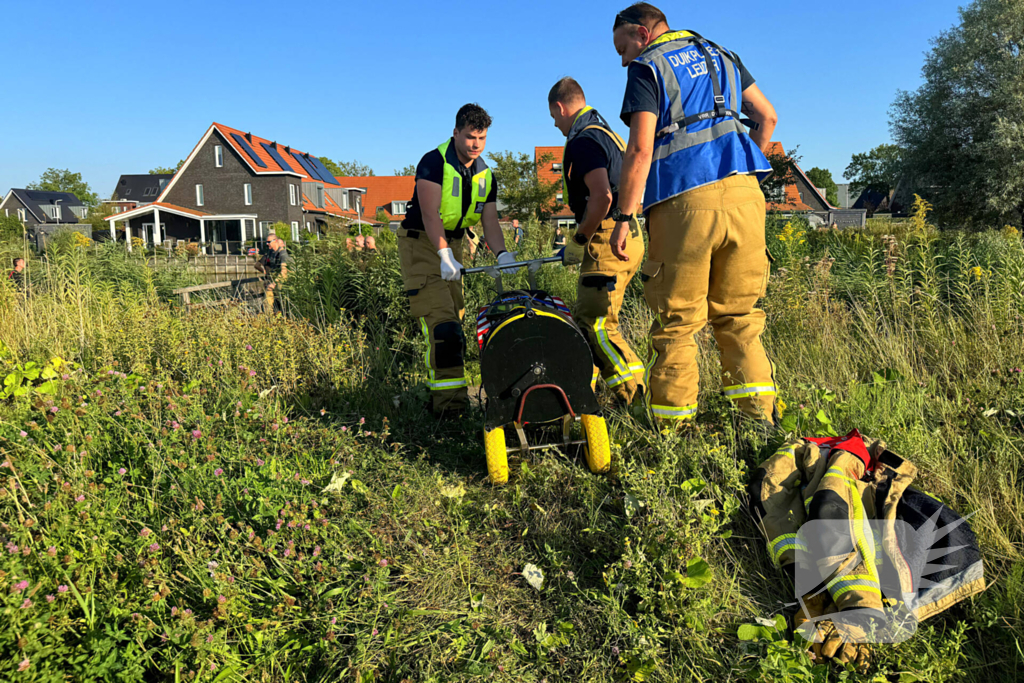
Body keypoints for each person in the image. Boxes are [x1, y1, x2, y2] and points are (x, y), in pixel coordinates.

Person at [608, 3, 780, 425]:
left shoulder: (647, 68)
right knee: (739, 316)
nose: (623, 59)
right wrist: (740, 169)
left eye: (622, 48)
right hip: (745, 192)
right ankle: (760, 424)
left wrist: (625, 218)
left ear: (642, 34)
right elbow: (767, 116)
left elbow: (641, 148)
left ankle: (672, 432)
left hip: (684, 199)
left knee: (678, 321)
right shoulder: (722, 54)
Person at [399, 103, 517, 414]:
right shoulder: (433, 162)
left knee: (456, 320)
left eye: (482, 138)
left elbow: (489, 222)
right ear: (455, 133)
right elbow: (429, 214)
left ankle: (449, 395)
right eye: (469, 137)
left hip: (453, 246)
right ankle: (449, 411)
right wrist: (443, 254)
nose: (475, 145)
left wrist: (502, 252)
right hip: (423, 244)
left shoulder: (485, 174)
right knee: (443, 327)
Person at [548, 77, 647, 406]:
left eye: (554, 117)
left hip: (607, 237)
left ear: (561, 107)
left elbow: (602, 197)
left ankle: (632, 398)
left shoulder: (583, 140)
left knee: (596, 324)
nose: (556, 125)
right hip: (628, 233)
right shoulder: (606, 133)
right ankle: (624, 388)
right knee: (600, 322)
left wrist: (579, 238)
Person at [254, 233, 289, 312]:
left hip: (280, 283)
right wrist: (267, 277)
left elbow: (284, 271)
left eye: (269, 242)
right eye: (266, 242)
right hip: (273, 281)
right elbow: (259, 265)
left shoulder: (282, 254)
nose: (267, 244)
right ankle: (269, 316)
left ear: (275, 241)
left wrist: (274, 283)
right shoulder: (271, 253)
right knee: (270, 301)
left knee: (280, 303)